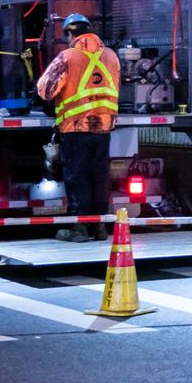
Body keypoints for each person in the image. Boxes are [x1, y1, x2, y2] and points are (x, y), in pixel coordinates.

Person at [36, 14, 121, 242]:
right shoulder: (112, 56)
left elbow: (45, 90)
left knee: (78, 177)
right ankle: (99, 227)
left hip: (76, 128)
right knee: (99, 177)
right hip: (103, 128)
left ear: (70, 34)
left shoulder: (67, 56)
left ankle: (79, 228)